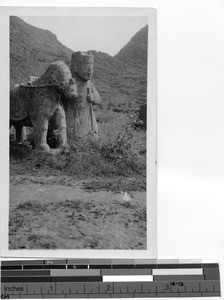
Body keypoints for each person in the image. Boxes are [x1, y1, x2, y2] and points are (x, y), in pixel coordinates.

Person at [66, 51, 101, 142]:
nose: (90, 72)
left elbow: (99, 99)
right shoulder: (70, 82)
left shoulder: (89, 84)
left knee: (93, 140)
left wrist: (93, 98)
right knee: (75, 140)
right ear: (76, 67)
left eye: (92, 69)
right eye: (86, 68)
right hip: (73, 118)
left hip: (89, 120)